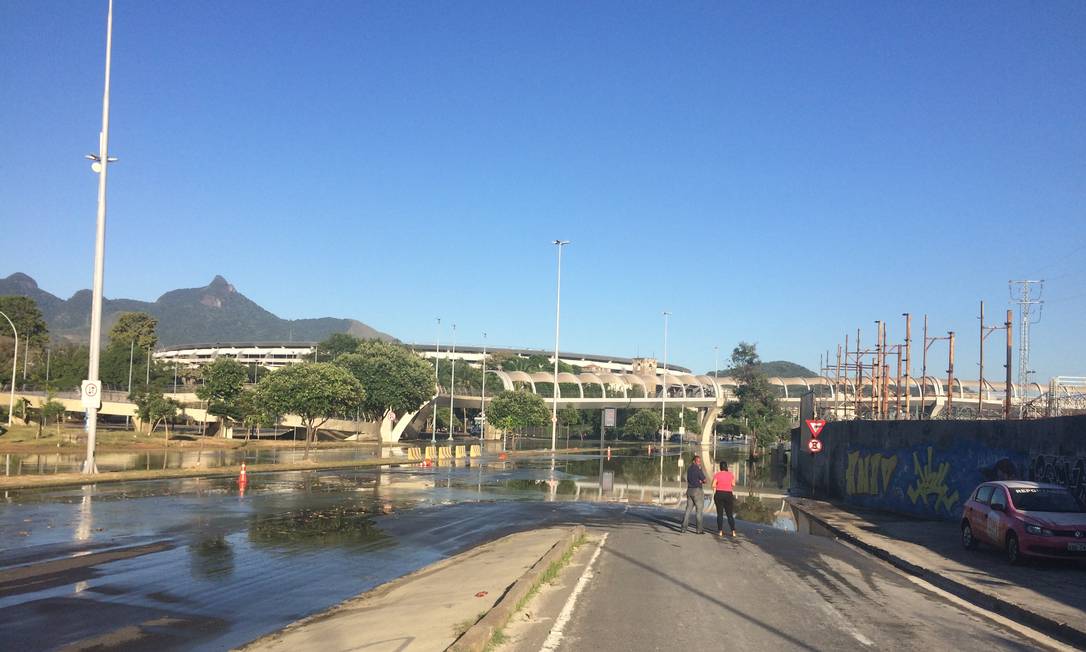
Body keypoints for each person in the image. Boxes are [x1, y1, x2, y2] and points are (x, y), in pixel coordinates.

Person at [681, 454, 707, 534]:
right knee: (699, 511)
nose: (699, 463)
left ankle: (683, 528)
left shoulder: (689, 469)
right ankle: (699, 529)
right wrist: (701, 480)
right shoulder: (698, 469)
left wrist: (698, 480)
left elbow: (687, 478)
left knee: (688, 510)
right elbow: (705, 480)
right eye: (698, 461)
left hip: (689, 490)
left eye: (700, 461)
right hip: (697, 491)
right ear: (694, 461)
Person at [712, 460, 737, 537]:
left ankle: (720, 531)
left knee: (720, 514)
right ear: (726, 467)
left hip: (719, 494)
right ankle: (733, 531)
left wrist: (716, 489)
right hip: (728, 494)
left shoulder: (717, 475)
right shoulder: (731, 475)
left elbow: (713, 485)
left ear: (720, 467)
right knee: (729, 514)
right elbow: (733, 484)